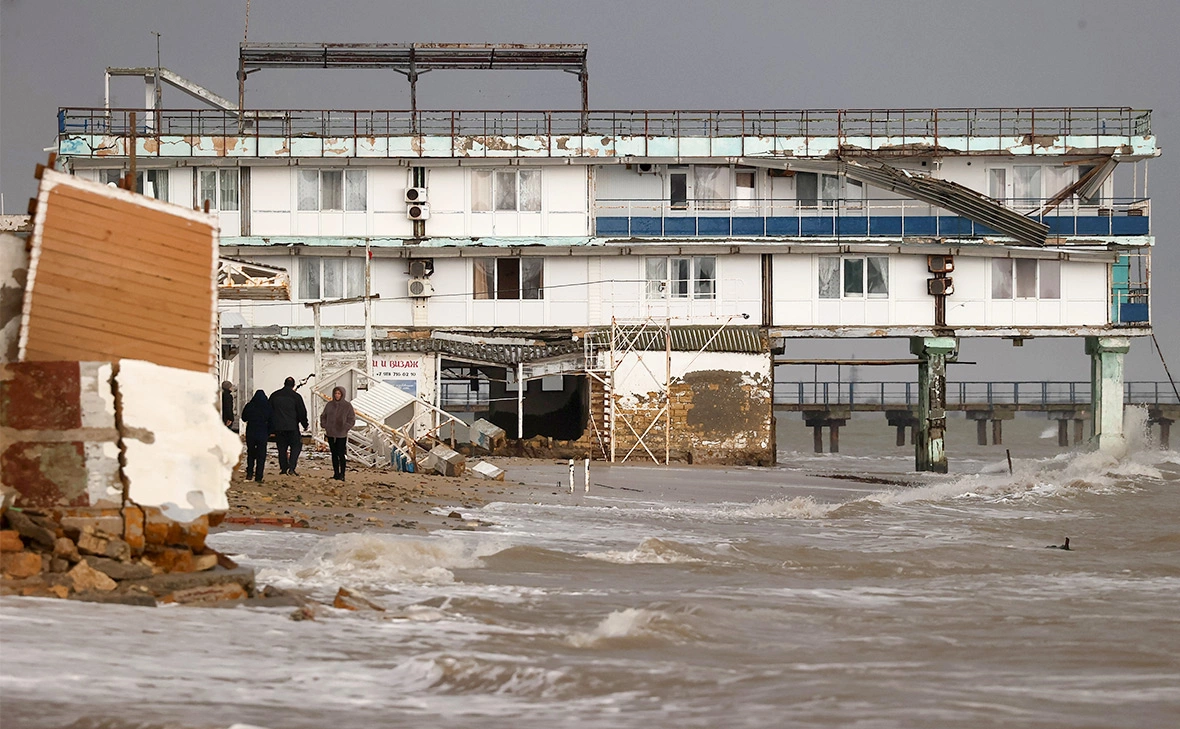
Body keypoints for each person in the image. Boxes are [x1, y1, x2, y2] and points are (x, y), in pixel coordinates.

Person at [269, 376, 308, 475]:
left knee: (282, 449)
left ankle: (283, 468)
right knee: (296, 447)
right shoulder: (296, 397)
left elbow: (269, 411)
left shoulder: (275, 395)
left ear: (284, 383)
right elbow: (301, 412)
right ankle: (291, 467)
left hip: (279, 428)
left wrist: (270, 427)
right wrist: (305, 424)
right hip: (292, 427)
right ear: (293, 385)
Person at [320, 386, 357, 481]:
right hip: (331, 432)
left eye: (339, 393)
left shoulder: (347, 406)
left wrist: (345, 427)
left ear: (342, 394)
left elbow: (352, 419)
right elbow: (323, 416)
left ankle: (342, 474)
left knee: (341, 454)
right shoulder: (329, 405)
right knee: (334, 453)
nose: (337, 395)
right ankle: (336, 473)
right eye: (336, 393)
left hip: (341, 433)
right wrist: (325, 425)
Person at [240, 390, 273, 483]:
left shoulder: (250, 405)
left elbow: (244, 418)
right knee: (261, 455)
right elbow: (272, 420)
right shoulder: (267, 407)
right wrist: (269, 432)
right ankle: (259, 476)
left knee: (251, 453)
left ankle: (249, 473)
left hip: (251, 431)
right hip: (263, 432)